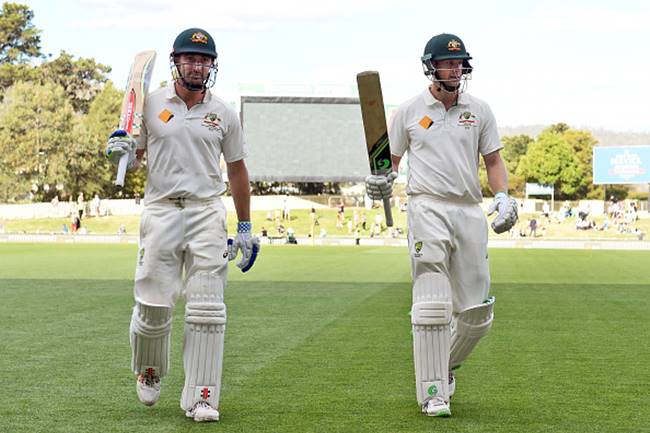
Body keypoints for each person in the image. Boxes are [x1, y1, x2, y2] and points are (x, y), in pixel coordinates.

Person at [105, 28, 259, 423]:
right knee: (154, 305)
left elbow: (238, 170)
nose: (196, 65)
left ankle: (202, 396)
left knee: (208, 306)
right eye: (190, 58)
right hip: (161, 210)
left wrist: (244, 226)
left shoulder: (223, 113)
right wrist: (120, 151)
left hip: (207, 210)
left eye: (203, 59)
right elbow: (134, 159)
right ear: (176, 63)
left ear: (212, 66)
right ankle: (151, 369)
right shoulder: (152, 103)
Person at [365, 33, 517, 418]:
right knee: (432, 302)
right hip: (426, 206)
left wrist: (502, 196)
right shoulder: (410, 111)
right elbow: (391, 164)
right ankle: (433, 391)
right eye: (448, 63)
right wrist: (381, 181)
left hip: (468, 210)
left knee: (476, 313)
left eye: (459, 63)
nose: (455, 69)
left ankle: (442, 365)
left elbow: (494, 162)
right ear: (430, 67)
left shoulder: (479, 110)